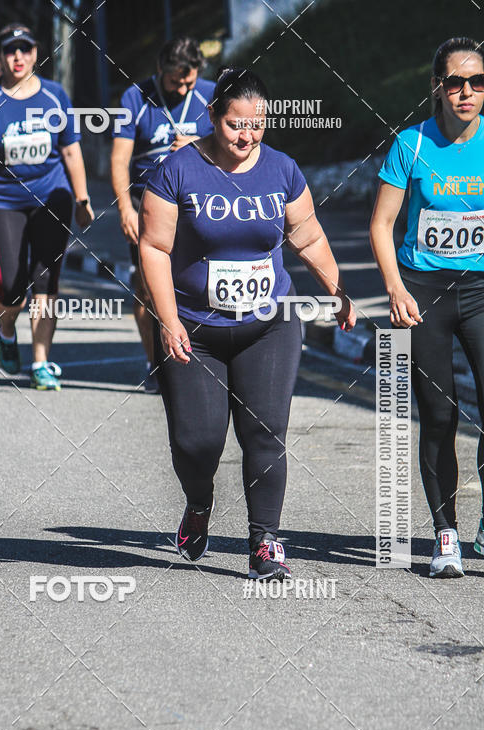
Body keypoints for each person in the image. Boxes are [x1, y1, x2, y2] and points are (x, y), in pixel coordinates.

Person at [139, 68, 355, 579]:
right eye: (236, 125)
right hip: (193, 327)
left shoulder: (281, 169)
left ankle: (264, 542)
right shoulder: (177, 170)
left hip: (269, 322)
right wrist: (168, 321)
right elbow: (153, 247)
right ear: (213, 117)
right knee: (199, 442)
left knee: (264, 431)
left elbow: (308, 236)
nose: (247, 136)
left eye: (256, 126)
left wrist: (338, 291)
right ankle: (197, 505)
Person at [371, 37, 484, 579]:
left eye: (477, 82)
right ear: (436, 87)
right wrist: (395, 288)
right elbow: (380, 224)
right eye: (455, 83)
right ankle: (446, 535)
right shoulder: (410, 145)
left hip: (482, 290)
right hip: (424, 292)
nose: (467, 92)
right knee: (440, 415)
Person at [0, 23, 94, 391]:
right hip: (2, 202)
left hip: (52, 197)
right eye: (9, 50)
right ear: (1, 56)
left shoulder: (54, 95)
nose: (17, 57)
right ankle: (6, 330)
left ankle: (41, 361)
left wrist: (83, 200)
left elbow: (70, 150)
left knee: (46, 282)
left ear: (36, 53)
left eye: (24, 49)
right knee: (11, 286)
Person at [111, 36, 215, 394]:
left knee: (196, 282)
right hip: (147, 204)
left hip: (198, 207)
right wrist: (125, 207)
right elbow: (119, 159)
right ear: (160, 70)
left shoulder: (212, 95)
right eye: (175, 82)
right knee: (146, 287)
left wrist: (200, 147)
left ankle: (199, 357)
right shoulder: (134, 98)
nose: (184, 88)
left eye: (189, 81)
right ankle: (154, 361)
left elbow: (237, 149)